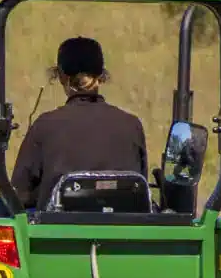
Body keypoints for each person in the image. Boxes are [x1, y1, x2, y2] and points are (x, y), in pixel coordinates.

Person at [10, 35, 146, 210]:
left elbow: (19, 193)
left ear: (61, 76)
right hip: (123, 225)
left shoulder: (45, 125)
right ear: (101, 76)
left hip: (59, 226)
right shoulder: (132, 126)